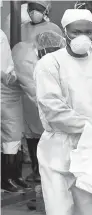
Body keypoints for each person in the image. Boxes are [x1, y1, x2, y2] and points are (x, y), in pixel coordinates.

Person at [34, 9, 92, 215]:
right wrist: (90, 127)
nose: (83, 37)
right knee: (59, 209)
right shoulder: (50, 64)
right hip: (58, 149)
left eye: (88, 32)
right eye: (76, 32)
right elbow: (52, 109)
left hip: (91, 148)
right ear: (65, 32)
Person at [11, 31, 66, 183]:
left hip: (31, 96)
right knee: (35, 133)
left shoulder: (36, 51)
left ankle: (40, 171)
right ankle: (38, 171)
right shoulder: (26, 61)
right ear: (44, 50)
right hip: (24, 98)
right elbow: (36, 93)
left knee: (38, 132)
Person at [1, 29, 31, 193]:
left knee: (14, 135)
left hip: (8, 88)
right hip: (4, 90)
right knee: (10, 136)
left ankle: (13, 176)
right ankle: (7, 178)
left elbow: (6, 62)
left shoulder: (1, 35)